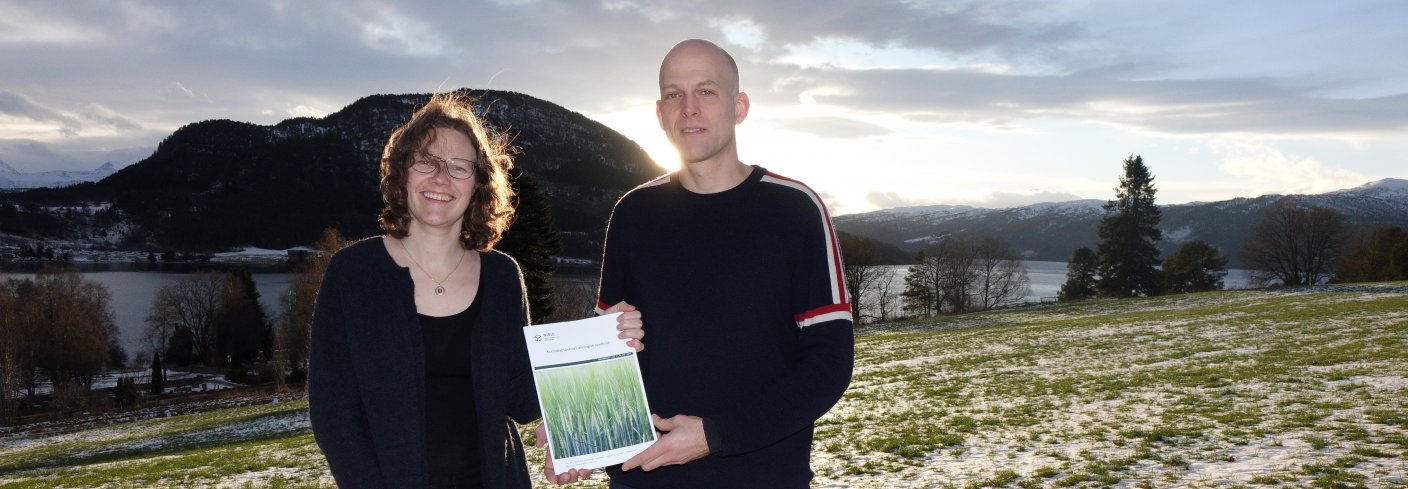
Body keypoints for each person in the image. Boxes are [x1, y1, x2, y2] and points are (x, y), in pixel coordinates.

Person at [308, 92, 642, 489]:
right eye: (426, 161)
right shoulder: (353, 273)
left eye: (459, 167)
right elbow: (333, 411)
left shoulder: (502, 275)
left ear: (478, 185)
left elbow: (520, 397)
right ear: (402, 172)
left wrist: (602, 341)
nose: (440, 178)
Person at [586, 39, 854, 488]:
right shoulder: (633, 212)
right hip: (645, 476)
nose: (688, 108)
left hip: (763, 476)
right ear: (659, 113)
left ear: (739, 105)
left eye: (706, 91)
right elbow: (609, 354)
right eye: (674, 94)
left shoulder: (795, 209)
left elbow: (829, 365)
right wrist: (574, 436)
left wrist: (714, 436)